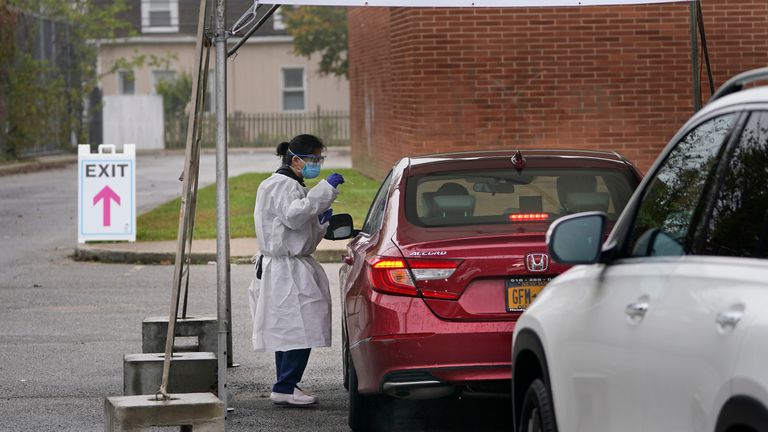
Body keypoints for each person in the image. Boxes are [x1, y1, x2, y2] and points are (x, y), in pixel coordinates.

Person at [248, 134, 345, 406]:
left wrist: (321, 225)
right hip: (286, 269)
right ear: (296, 159)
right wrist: (325, 190)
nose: (317, 164)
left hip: (288, 265)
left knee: (289, 329)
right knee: (301, 327)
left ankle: (286, 384)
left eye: (320, 159)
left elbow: (299, 228)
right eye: (314, 159)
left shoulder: (287, 185)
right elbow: (293, 217)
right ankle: (285, 385)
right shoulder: (282, 185)